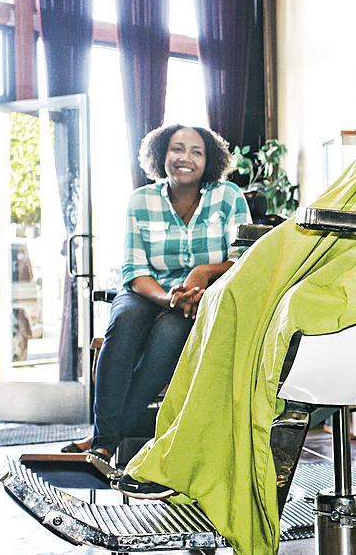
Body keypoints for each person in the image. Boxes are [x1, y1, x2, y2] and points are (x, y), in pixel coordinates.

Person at [113, 34, 356, 555]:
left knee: (244, 303)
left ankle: (197, 462)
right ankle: (185, 455)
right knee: (221, 302)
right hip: (335, 264)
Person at [62, 124, 251, 461]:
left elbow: (243, 260)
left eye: (197, 152)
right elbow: (134, 271)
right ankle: (105, 438)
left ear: (210, 161)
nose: (186, 158)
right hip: (148, 290)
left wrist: (204, 272)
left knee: (169, 332)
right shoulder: (140, 201)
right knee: (125, 321)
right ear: (161, 154)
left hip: (201, 297)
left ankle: (107, 440)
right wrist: (168, 298)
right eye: (177, 149)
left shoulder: (228, 197)